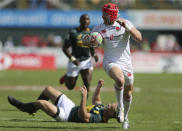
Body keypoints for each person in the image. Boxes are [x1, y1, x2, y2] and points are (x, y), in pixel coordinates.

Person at [83, 3, 142, 129]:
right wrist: (90, 41)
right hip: (110, 62)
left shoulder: (125, 23)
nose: (103, 16)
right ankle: (120, 108)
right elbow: (86, 41)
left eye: (105, 14)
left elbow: (139, 37)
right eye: (103, 13)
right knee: (119, 79)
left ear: (112, 15)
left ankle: (125, 118)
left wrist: (128, 28)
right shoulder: (98, 29)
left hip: (126, 64)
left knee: (128, 94)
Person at [8, 80, 118, 123]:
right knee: (48, 90)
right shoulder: (103, 109)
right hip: (71, 107)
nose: (108, 105)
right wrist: (99, 87)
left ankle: (22, 106)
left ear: (111, 114)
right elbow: (97, 100)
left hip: (66, 116)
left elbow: (82, 116)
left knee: (42, 103)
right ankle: (33, 109)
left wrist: (84, 97)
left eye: (110, 107)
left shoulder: (99, 119)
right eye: (110, 104)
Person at [59, 14, 98, 94]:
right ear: (80, 21)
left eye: (87, 19)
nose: (86, 21)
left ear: (89, 21)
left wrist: (94, 54)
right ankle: (66, 77)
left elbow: (91, 47)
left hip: (86, 61)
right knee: (70, 87)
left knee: (87, 83)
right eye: (84, 19)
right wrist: (73, 59)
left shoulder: (90, 33)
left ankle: (84, 105)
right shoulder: (73, 32)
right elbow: (64, 48)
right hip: (75, 60)